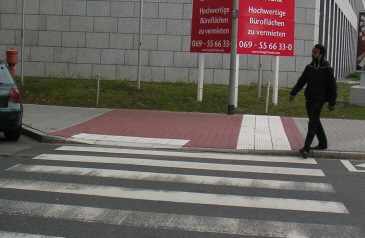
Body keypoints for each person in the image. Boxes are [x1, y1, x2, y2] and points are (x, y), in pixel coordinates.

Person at [289, 44, 337, 159]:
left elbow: (332, 87)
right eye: (312, 52)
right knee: (314, 121)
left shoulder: (326, 69)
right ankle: (323, 143)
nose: (312, 54)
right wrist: (293, 93)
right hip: (309, 98)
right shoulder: (309, 67)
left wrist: (332, 103)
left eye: (315, 52)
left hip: (319, 100)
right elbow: (302, 81)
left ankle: (306, 149)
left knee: (312, 123)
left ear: (321, 54)